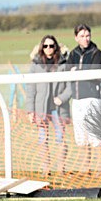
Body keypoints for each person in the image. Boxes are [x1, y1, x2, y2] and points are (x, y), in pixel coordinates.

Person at [25, 35, 71, 176]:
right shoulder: (36, 65)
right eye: (45, 46)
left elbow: (71, 85)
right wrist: (30, 110)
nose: (48, 49)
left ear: (56, 47)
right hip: (41, 108)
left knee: (60, 139)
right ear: (41, 47)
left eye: (51, 46)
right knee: (42, 139)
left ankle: (61, 169)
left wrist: (62, 98)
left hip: (58, 108)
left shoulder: (64, 64)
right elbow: (31, 89)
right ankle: (46, 169)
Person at [66, 23, 101, 146]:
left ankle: (99, 166)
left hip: (92, 99)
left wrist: (76, 71)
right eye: (82, 36)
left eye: (87, 35)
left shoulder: (96, 53)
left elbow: (92, 73)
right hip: (77, 100)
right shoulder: (73, 54)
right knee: (82, 142)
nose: (85, 38)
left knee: (96, 140)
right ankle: (86, 166)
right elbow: (67, 71)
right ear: (76, 38)